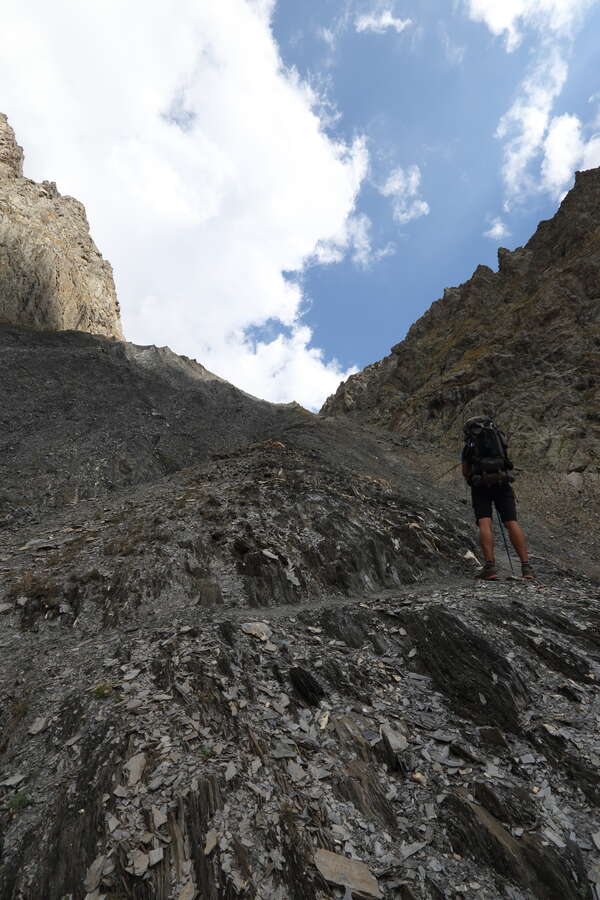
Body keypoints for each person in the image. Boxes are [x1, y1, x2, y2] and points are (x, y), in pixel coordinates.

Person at [461, 416, 535, 580]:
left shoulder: (470, 445)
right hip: (503, 482)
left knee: (484, 522)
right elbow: (506, 460)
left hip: (480, 486)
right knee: (511, 522)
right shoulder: (498, 438)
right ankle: (526, 567)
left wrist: (473, 476)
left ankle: (490, 567)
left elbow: (465, 471)